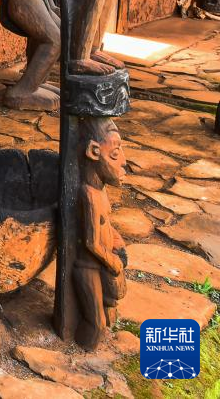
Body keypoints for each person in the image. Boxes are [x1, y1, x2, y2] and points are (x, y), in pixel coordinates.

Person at [73, 117, 128, 350]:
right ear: (94, 152)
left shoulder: (101, 189)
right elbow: (91, 242)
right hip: (89, 267)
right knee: (96, 324)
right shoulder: (89, 195)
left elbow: (105, 225)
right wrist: (111, 260)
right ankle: (78, 355)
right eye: (114, 155)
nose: (123, 162)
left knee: (110, 311)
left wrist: (117, 241)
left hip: (103, 263)